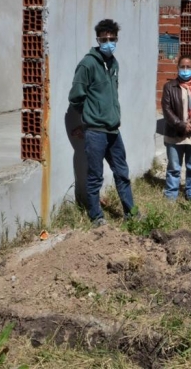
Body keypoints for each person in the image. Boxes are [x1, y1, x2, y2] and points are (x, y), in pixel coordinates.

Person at [69, 19, 139, 227]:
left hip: (113, 130)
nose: (109, 42)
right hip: (96, 132)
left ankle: (131, 213)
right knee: (95, 176)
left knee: (122, 173)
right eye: (105, 39)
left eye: (112, 39)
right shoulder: (87, 64)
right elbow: (75, 97)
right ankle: (96, 217)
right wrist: (89, 118)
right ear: (98, 39)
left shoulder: (113, 63)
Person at [161, 55, 191, 201]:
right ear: (177, 68)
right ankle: (171, 195)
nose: (185, 70)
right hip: (175, 133)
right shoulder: (169, 87)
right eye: (182, 66)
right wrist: (182, 125)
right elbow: (166, 110)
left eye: (188, 67)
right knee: (174, 168)